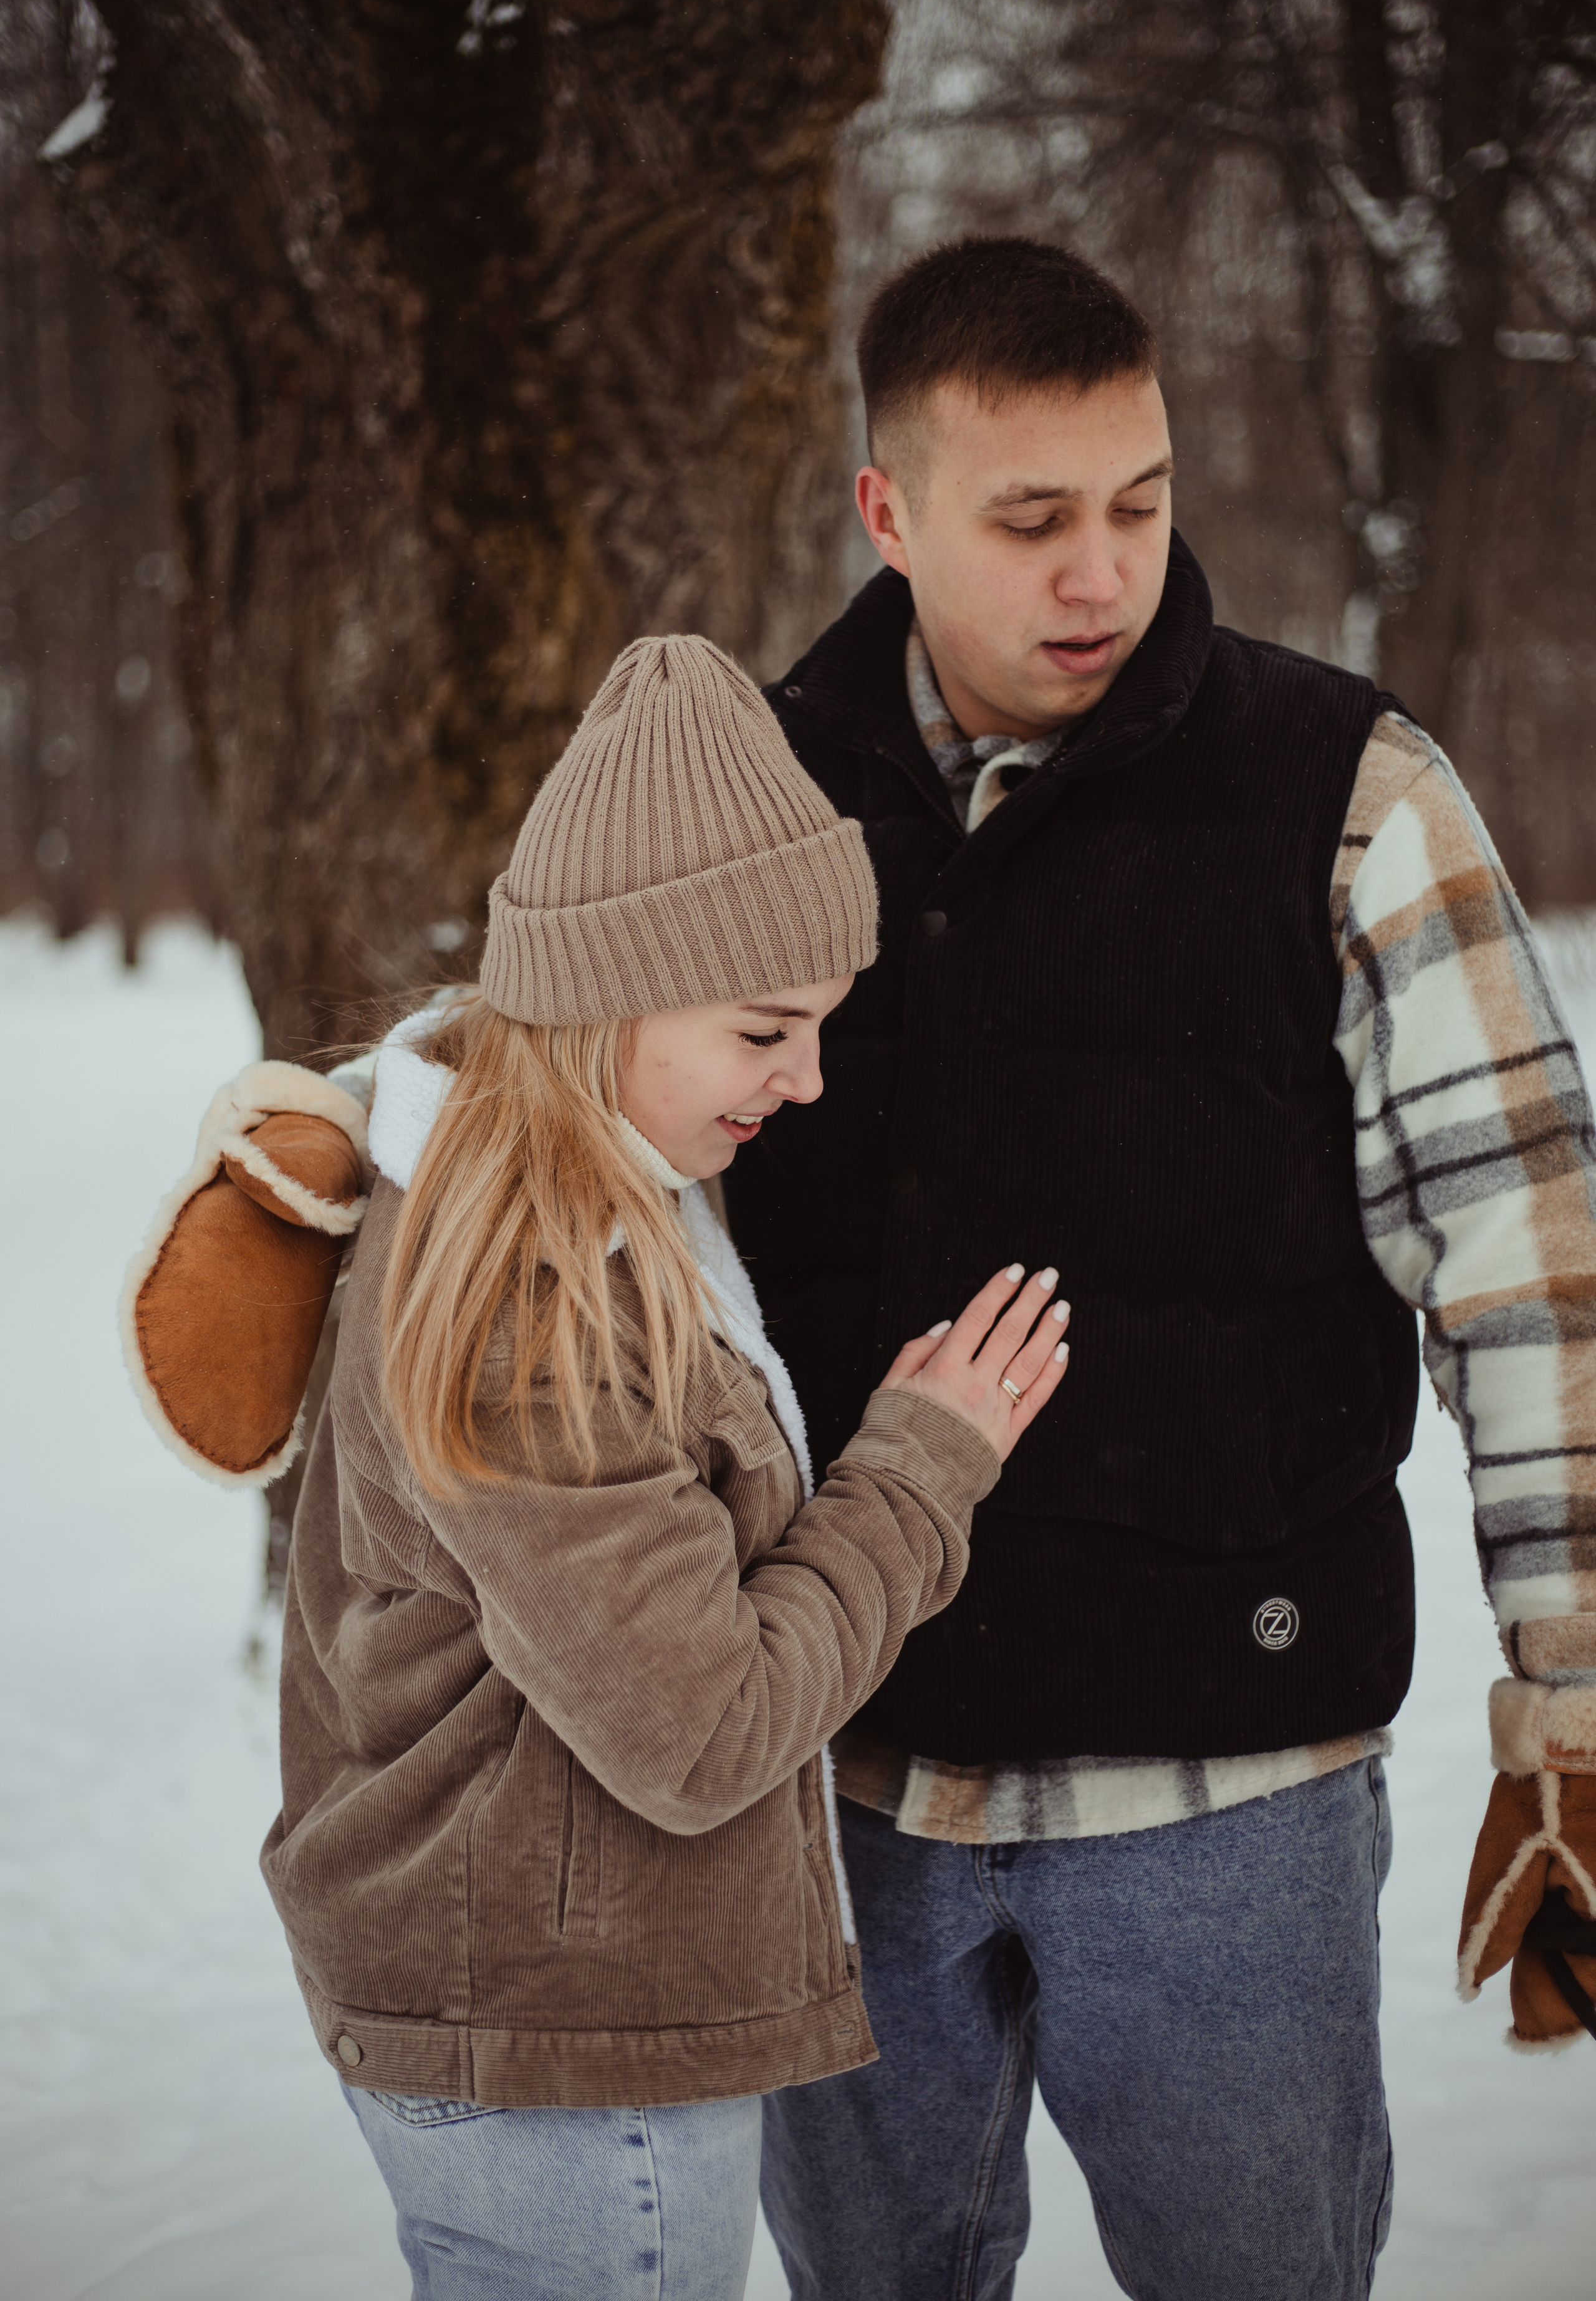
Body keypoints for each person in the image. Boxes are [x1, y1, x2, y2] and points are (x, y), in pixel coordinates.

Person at [724, 237, 1596, 2301]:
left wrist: (1575, 1696)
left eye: (1142, 501)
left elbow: (1535, 1266)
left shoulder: (1352, 795)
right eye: (1032, 521)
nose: (1101, 572)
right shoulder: (752, 800)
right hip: (838, 1784)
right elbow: (546, 1136)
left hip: (1234, 1792)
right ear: (888, 511)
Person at [122, 630, 1070, 2300]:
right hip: (566, 2053)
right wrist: (923, 1471)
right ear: (610, 998)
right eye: (768, 1029)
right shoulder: (539, 1292)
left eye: (827, 1023)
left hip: (522, 2008)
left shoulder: (571, 1166)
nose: (811, 1076)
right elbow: (697, 1732)